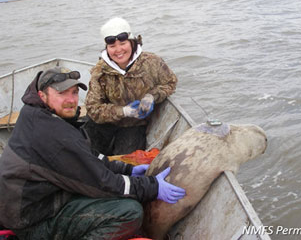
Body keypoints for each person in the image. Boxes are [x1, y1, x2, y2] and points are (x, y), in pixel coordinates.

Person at [0, 67, 185, 240]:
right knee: (129, 212)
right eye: (61, 93)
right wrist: (152, 187)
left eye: (74, 92)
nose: (71, 99)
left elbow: (87, 156)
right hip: (33, 222)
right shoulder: (53, 134)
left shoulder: (35, 113)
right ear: (42, 95)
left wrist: (126, 169)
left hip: (36, 203)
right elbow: (102, 183)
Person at [84, 17, 178, 156]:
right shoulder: (99, 72)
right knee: (88, 155)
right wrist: (124, 111)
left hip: (134, 126)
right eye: (112, 46)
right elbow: (93, 108)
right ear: (107, 48)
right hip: (103, 124)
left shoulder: (152, 62)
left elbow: (170, 82)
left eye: (122, 43)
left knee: (126, 162)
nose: (118, 50)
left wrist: (151, 96)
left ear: (132, 42)